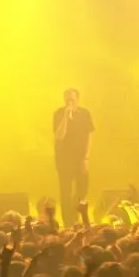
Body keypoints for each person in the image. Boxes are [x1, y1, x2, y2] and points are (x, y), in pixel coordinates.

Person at [53, 88, 94, 226]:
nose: (70, 102)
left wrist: (86, 158)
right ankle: (68, 222)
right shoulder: (59, 113)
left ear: (78, 99)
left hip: (80, 159)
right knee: (65, 192)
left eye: (72, 99)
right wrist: (66, 117)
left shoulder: (84, 113)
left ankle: (76, 215)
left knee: (82, 188)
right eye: (67, 100)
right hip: (64, 160)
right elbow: (59, 136)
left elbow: (90, 135)